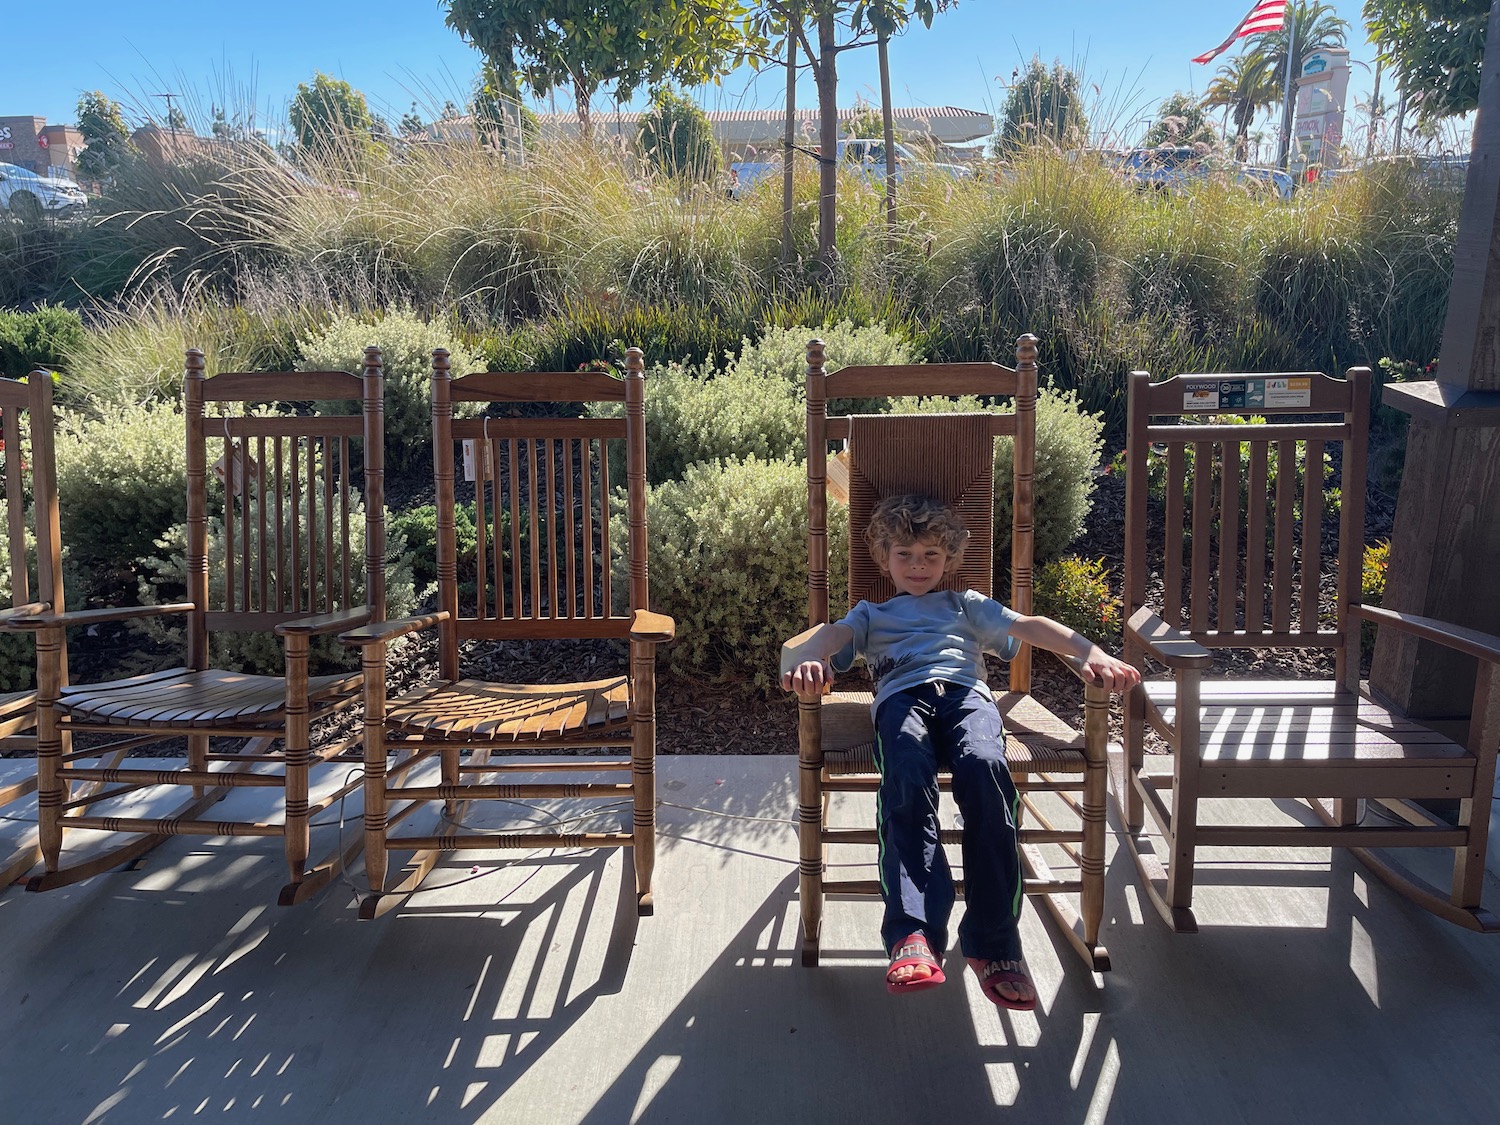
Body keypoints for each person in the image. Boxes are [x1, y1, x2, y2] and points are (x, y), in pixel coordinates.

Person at [782, 494, 1140, 1008]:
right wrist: (812, 657)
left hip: (967, 697)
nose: (918, 566)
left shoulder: (965, 603)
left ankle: (993, 944)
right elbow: (831, 635)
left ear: (949, 560)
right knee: (906, 773)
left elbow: (1027, 626)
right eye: (905, 554)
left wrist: (1091, 650)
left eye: (931, 555)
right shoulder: (870, 614)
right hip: (901, 700)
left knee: (986, 769)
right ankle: (913, 934)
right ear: (884, 559)